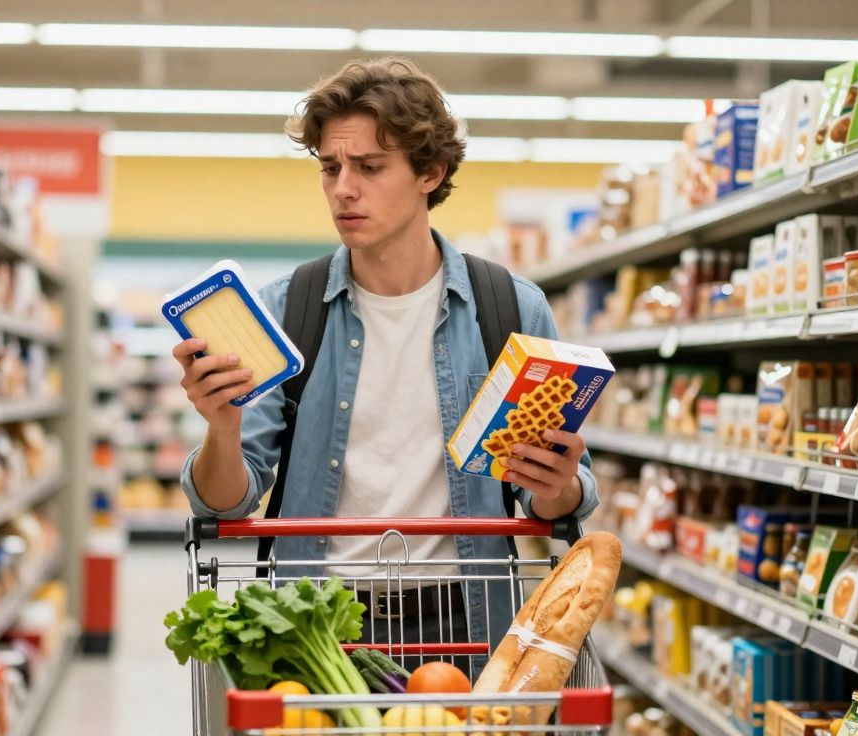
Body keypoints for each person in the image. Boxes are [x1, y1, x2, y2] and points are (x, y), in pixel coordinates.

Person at [174, 57, 598, 655]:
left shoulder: (510, 308)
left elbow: (552, 499)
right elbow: (227, 502)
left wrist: (557, 485)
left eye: (370, 167)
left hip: (470, 624)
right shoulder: (285, 310)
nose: (343, 188)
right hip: (315, 623)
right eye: (330, 168)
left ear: (431, 171)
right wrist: (222, 428)